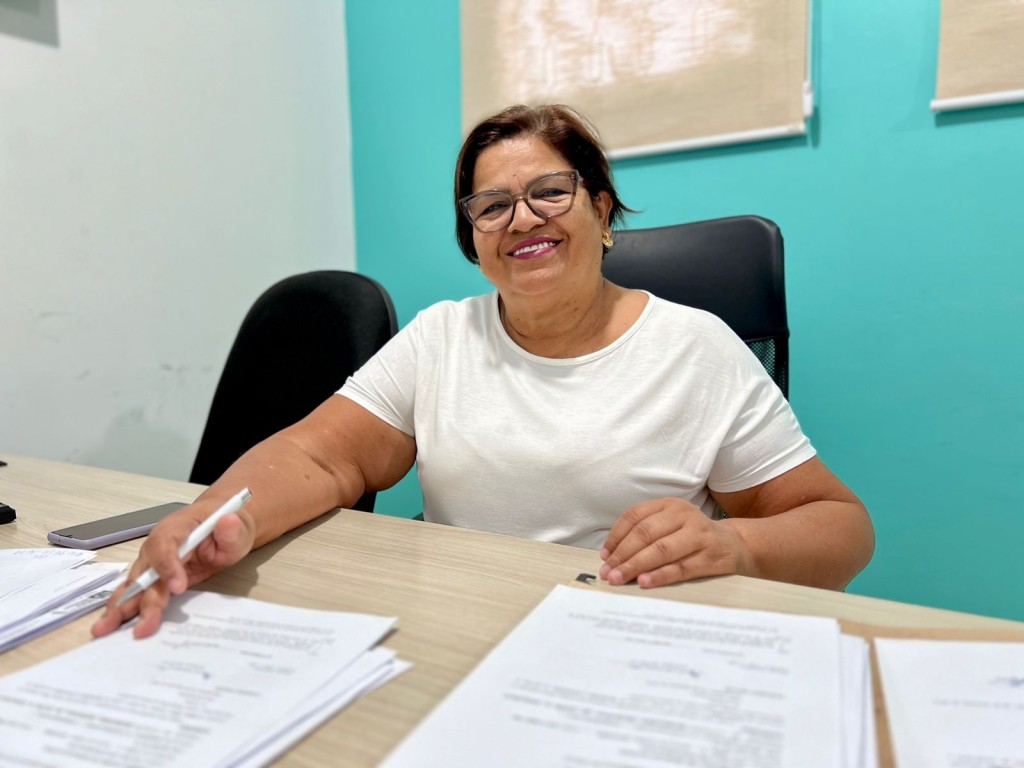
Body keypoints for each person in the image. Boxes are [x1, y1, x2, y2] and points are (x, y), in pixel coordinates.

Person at [94, 104, 874, 640]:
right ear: (474, 241)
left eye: (550, 192)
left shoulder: (694, 346)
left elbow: (841, 528)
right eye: (491, 206)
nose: (522, 218)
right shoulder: (442, 336)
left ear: (603, 212)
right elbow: (320, 456)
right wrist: (219, 520)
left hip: (629, 642)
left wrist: (737, 549)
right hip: (463, 630)